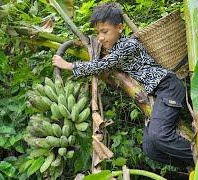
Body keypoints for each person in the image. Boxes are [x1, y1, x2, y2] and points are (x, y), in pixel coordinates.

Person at [52, 2, 194, 167]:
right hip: (157, 94)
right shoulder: (114, 49)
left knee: (158, 136)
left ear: (119, 28)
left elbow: (103, 65)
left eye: (105, 32)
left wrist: (69, 65)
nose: (101, 38)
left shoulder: (128, 46)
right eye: (98, 33)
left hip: (167, 87)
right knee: (150, 149)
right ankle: (191, 164)